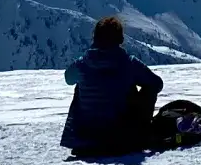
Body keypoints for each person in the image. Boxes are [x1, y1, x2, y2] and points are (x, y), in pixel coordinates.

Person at [61, 15, 164, 157]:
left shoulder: (82, 63)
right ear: (120, 39)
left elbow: (68, 78)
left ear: (95, 38)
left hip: (87, 138)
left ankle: (81, 138)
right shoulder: (129, 63)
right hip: (121, 138)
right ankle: (139, 136)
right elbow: (157, 83)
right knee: (149, 89)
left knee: (80, 87)